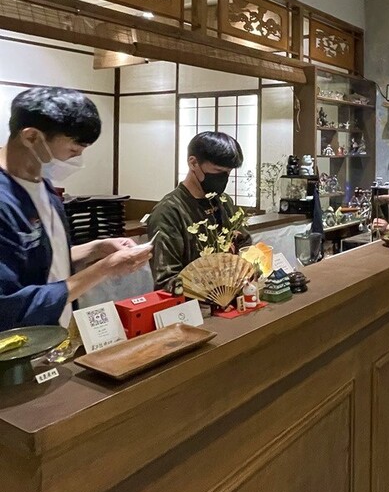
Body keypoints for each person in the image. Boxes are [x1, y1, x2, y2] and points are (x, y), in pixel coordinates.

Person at [0, 87, 152, 331]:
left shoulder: (43, 185)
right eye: (73, 151)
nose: (77, 161)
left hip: (56, 331)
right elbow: (8, 306)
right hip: (18, 344)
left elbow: (42, 259)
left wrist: (96, 248)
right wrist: (104, 269)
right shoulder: (5, 200)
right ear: (31, 137)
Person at [147, 131, 252, 289]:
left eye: (228, 173)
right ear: (193, 163)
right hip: (189, 302)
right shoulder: (168, 212)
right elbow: (166, 279)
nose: (224, 178)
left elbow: (244, 243)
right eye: (218, 171)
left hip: (231, 294)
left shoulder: (224, 202)